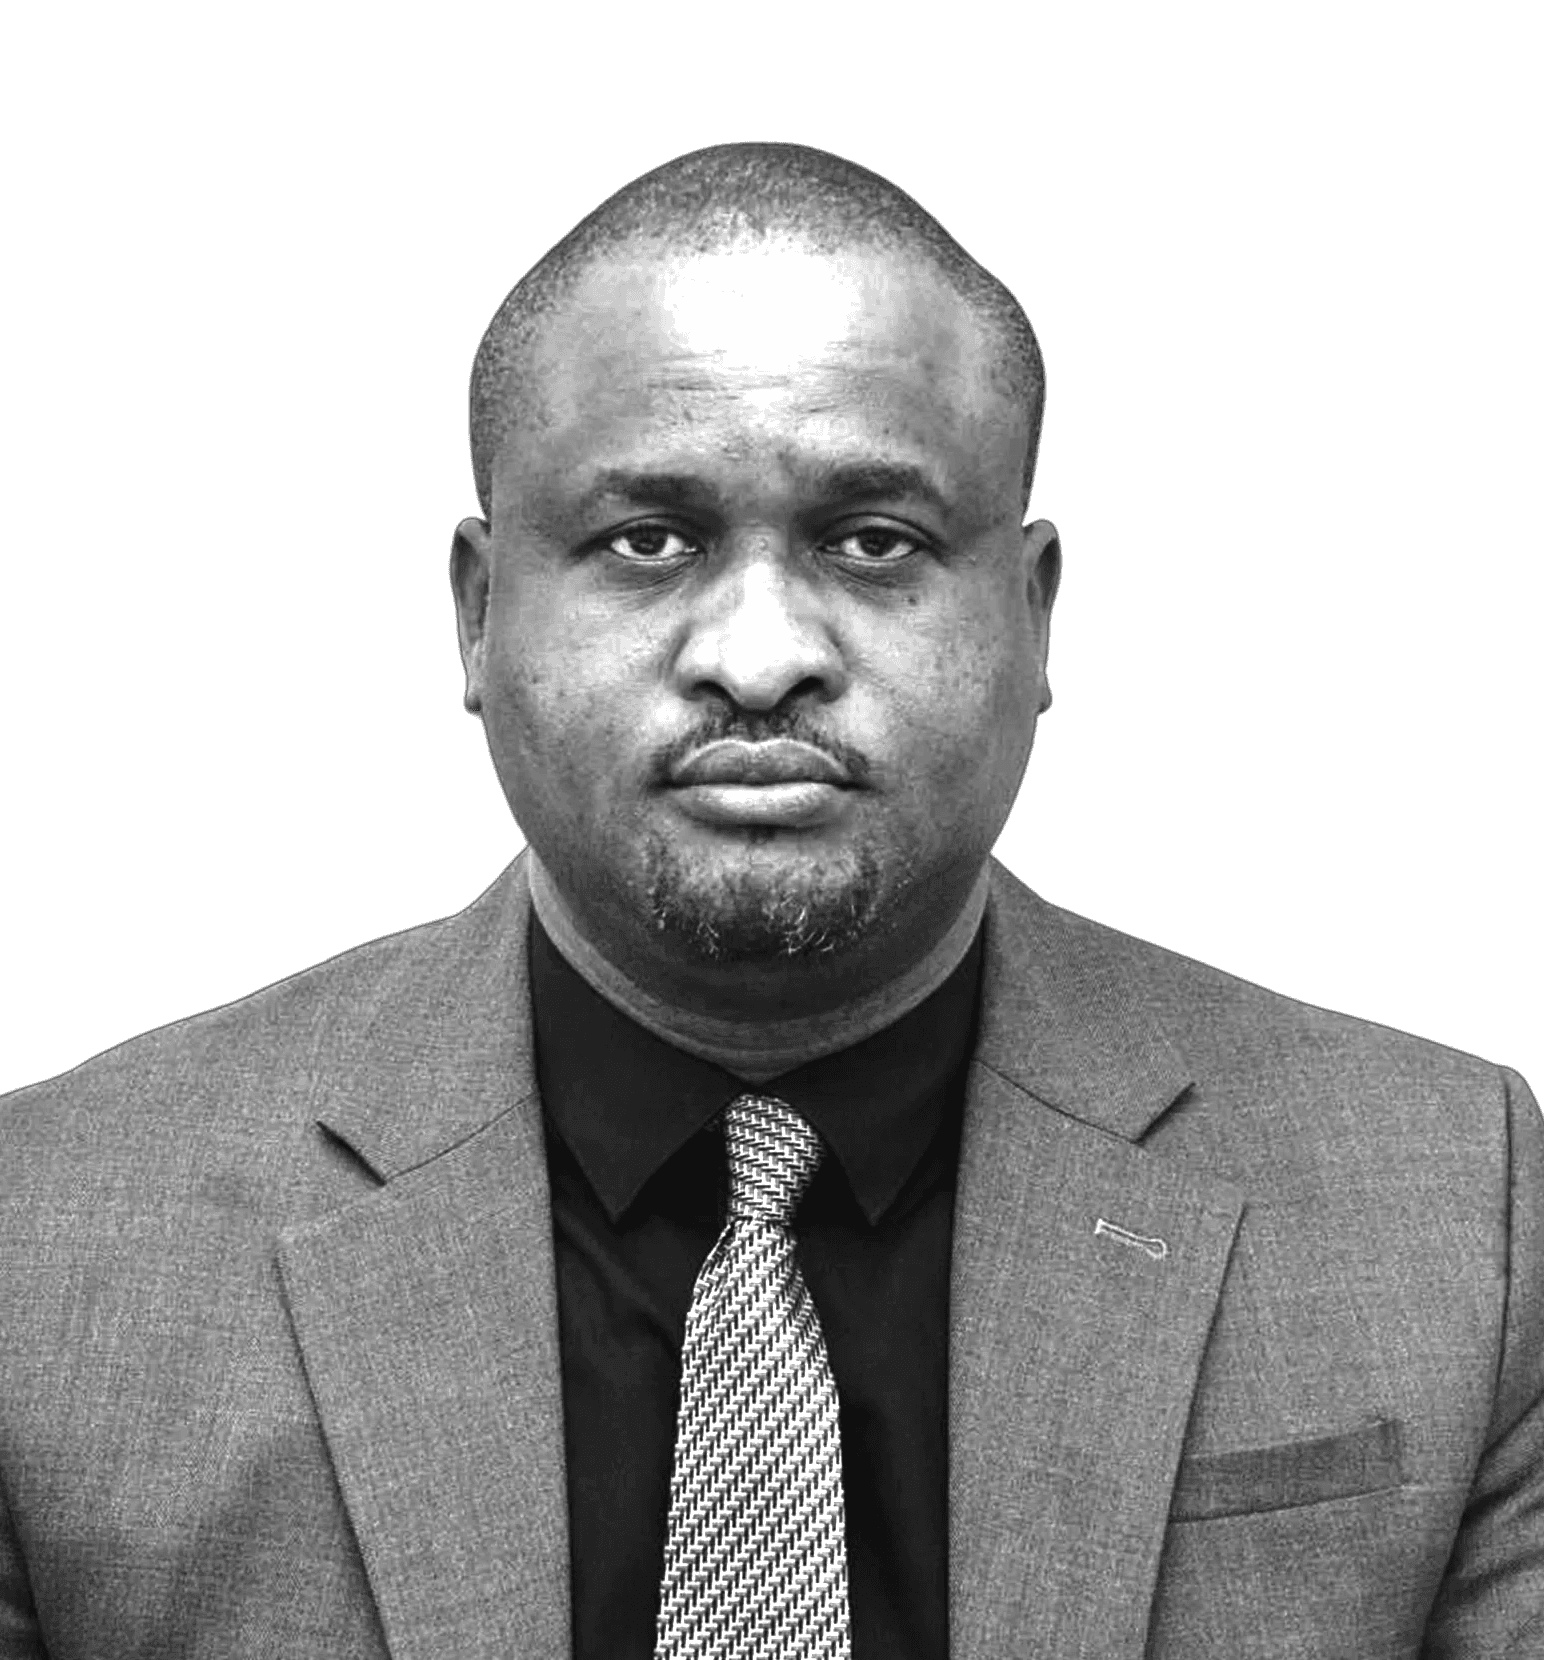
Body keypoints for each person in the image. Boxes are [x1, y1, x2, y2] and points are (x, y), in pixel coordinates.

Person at [1, 142, 1539, 1660]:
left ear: (1033, 615)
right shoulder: (42, 1241)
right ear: (477, 616)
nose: (757, 658)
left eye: (874, 541)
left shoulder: (1458, 1209)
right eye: (647, 541)